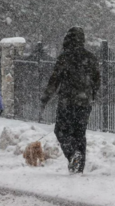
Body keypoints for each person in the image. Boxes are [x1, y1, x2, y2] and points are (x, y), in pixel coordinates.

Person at [40, 27, 100, 174]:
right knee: (80, 134)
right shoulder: (90, 57)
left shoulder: (64, 57)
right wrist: (91, 95)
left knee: (61, 131)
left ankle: (73, 154)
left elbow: (54, 80)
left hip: (67, 101)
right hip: (84, 102)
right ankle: (78, 166)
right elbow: (96, 80)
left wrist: (45, 98)